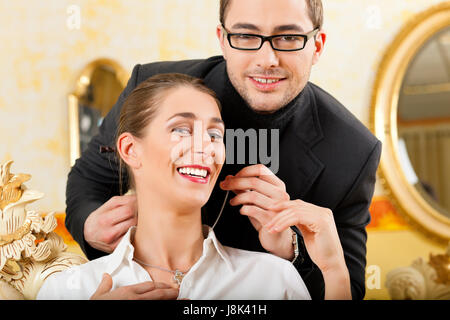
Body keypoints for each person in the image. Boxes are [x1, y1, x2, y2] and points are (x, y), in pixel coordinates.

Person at [66, 0, 381, 300]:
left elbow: (346, 285)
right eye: (245, 35)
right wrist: (90, 225)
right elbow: (88, 180)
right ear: (223, 39)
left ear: (318, 46)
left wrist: (292, 249)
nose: (267, 60)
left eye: (288, 37)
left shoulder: (353, 153)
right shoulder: (150, 86)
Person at [37, 73, 311, 300]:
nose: (206, 147)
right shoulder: (66, 290)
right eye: (182, 129)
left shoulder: (274, 282)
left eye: (215, 134)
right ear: (131, 149)